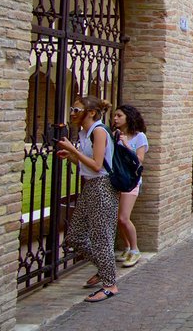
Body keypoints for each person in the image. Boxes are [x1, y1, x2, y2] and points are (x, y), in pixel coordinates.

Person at [54, 96, 120, 303]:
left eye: (76, 110)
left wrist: (74, 151)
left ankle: (110, 285)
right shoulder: (85, 132)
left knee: (101, 238)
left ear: (91, 112)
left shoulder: (99, 131)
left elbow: (97, 165)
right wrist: (72, 156)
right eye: (72, 109)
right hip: (91, 186)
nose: (72, 113)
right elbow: (87, 165)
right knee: (74, 236)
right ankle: (104, 266)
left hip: (103, 187)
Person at [113, 104, 149, 268]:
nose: (115, 118)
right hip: (117, 179)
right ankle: (127, 247)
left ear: (129, 117)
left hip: (131, 181)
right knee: (117, 218)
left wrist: (127, 145)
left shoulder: (139, 136)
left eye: (119, 115)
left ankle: (135, 250)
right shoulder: (116, 135)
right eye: (115, 116)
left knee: (123, 217)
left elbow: (139, 160)